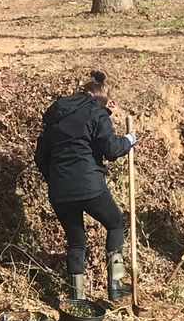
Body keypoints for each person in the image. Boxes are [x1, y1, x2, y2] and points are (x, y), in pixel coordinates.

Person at [34, 70, 138, 301]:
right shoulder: (96, 112)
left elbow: (41, 156)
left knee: (76, 241)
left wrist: (55, 178)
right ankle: (115, 284)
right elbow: (111, 149)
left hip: (59, 189)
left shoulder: (56, 115)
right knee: (114, 224)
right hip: (89, 185)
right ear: (101, 99)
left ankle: (77, 298)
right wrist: (128, 140)